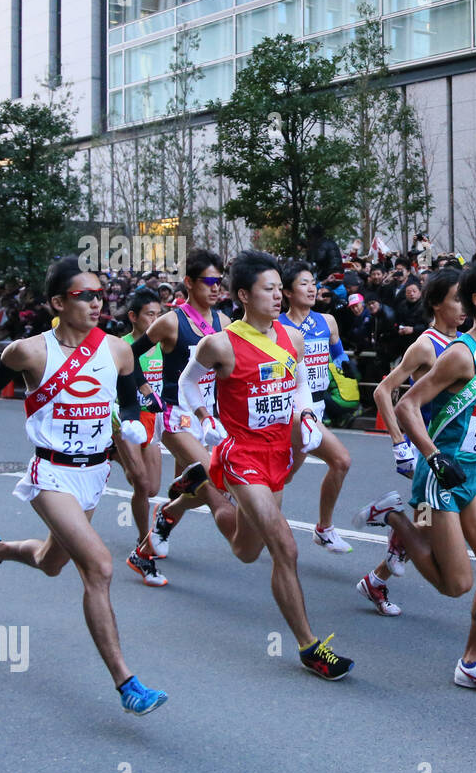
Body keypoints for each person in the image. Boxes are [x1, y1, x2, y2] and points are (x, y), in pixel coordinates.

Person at [0, 258, 168, 715]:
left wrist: (133, 421)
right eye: (85, 295)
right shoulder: (29, 351)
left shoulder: (117, 350)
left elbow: (130, 393)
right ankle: (127, 683)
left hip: (95, 473)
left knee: (49, 560)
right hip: (50, 474)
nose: (97, 302)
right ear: (58, 303)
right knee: (99, 567)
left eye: (100, 294)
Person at [181, 249, 355, 680]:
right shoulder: (220, 343)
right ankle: (310, 647)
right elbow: (187, 384)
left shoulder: (290, 338)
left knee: (246, 549)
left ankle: (202, 486)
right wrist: (205, 418)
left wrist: (308, 415)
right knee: (285, 547)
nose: (279, 296)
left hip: (278, 452)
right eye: (269, 289)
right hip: (242, 454)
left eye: (281, 288)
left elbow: (297, 387)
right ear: (243, 294)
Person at [358, 254, 476, 696]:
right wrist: (431, 457)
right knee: (456, 584)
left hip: (472, 474)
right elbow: (407, 405)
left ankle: (472, 663)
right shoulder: (458, 354)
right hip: (439, 474)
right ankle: (393, 516)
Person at [361, 269, 465, 616]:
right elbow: (384, 391)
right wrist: (398, 444)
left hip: (455, 452)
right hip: (430, 454)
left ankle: (375, 581)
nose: (464, 306)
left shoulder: (464, 343)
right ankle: (390, 518)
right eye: (456, 298)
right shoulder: (425, 344)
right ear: (436, 304)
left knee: (424, 528)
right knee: (433, 534)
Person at [134, 249, 233, 560]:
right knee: (214, 481)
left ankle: (155, 533)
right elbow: (130, 355)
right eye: (209, 281)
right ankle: (166, 521)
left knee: (193, 488)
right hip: (175, 416)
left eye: (219, 281)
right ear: (189, 282)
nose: (216, 287)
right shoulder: (171, 322)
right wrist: (146, 390)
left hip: (209, 418)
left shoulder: (224, 321)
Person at [278, 261, 356, 553]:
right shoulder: (277, 327)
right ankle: (320, 529)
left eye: (313, 283)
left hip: (319, 406)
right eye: (303, 283)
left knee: (285, 473)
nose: (312, 288)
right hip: (292, 409)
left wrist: (347, 368)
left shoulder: (327, 322)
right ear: (286, 291)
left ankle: (252, 502)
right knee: (341, 460)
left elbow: (338, 355)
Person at [116, 288, 169, 587]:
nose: (156, 319)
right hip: (127, 419)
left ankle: (116, 455)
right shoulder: (120, 346)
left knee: (153, 489)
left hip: (155, 419)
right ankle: (143, 541)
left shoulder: (164, 344)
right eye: (150, 314)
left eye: (159, 314)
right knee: (142, 483)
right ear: (133, 317)